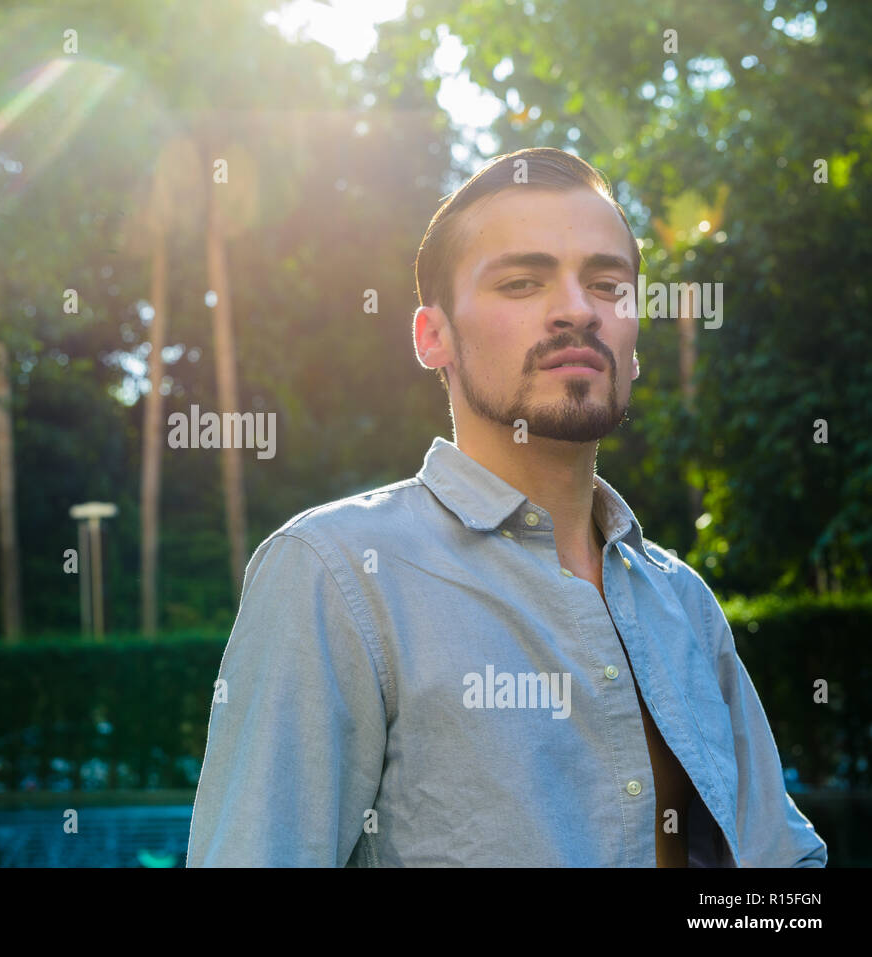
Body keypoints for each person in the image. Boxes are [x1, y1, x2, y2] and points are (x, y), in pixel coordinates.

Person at [185, 147, 827, 867]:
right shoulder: (336, 575)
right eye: (523, 282)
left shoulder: (683, 602)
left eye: (608, 284)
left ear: (635, 342)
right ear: (434, 337)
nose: (578, 311)